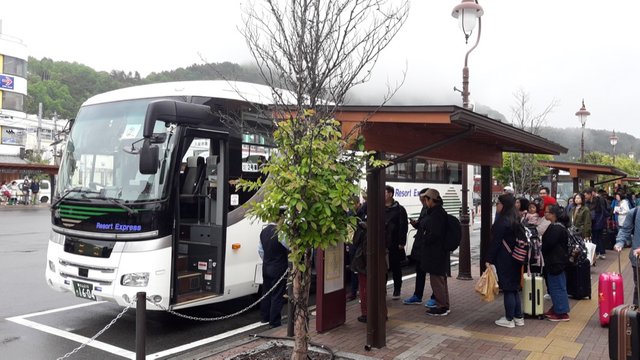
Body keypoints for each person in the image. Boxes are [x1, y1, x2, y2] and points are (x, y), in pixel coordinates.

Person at [487, 193, 525, 328]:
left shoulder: (502, 222)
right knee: (514, 288)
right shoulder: (516, 219)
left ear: (504, 205)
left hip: (505, 258)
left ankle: (509, 319)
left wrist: (489, 259)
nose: (497, 206)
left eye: (498, 203)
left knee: (508, 288)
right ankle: (518, 317)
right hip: (516, 257)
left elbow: (496, 243)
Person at [421, 189, 451, 316]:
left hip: (436, 253)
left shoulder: (436, 214)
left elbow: (435, 234)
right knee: (441, 279)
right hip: (440, 252)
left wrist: (425, 237)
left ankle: (442, 307)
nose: (425, 202)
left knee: (437, 280)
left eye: (426, 200)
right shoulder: (439, 212)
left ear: (431, 200)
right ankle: (444, 305)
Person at [403, 188, 435, 306]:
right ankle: (417, 295)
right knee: (420, 271)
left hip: (429, 248)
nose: (422, 202)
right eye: (421, 200)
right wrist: (416, 224)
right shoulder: (425, 209)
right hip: (421, 246)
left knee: (433, 273)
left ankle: (435, 296)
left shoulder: (435, 212)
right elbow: (423, 225)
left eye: (423, 199)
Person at [257, 212, 289, 328]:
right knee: (277, 294)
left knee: (266, 291)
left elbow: (260, 250)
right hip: (279, 266)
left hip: (266, 265)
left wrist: (267, 260)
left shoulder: (263, 231)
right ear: (280, 219)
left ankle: (264, 317)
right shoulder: (280, 232)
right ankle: (274, 321)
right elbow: (289, 246)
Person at [542, 204, 571, 322]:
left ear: (553, 214)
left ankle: (561, 312)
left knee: (557, 286)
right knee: (556, 286)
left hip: (556, 261)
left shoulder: (556, 228)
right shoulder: (558, 226)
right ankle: (557, 308)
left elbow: (548, 244)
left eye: (547, 212)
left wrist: (541, 247)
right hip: (557, 260)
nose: (545, 214)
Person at [384, 185, 408, 300]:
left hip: (394, 242)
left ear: (390, 194)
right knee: (382, 267)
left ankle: (397, 289)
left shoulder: (399, 209)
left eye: (384, 193)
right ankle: (382, 289)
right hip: (382, 243)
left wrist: (401, 242)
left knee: (395, 267)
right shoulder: (379, 208)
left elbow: (403, 227)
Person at [614, 206, 640, 306]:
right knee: (638, 288)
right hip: (637, 260)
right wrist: (620, 243)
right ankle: (636, 317)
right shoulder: (634, 212)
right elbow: (625, 230)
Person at [584, 187, 608, 259]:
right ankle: (601, 252)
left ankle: (597, 252)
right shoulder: (595, 201)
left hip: (596, 222)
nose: (585, 197)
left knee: (595, 237)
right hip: (599, 222)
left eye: (586, 195)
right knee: (598, 237)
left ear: (590, 194)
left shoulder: (597, 201)